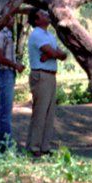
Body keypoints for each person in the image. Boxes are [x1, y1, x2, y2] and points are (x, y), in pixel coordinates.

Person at [26, 9, 68, 156]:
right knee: (40, 111)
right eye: (43, 14)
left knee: (49, 113)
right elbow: (53, 52)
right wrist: (53, 54)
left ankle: (44, 147)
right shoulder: (36, 34)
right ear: (36, 20)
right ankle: (34, 147)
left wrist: (53, 55)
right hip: (41, 75)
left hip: (50, 75)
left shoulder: (49, 35)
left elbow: (62, 54)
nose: (47, 15)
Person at [0, 12, 25, 151]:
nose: (12, 19)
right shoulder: (2, 34)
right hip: (5, 73)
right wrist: (14, 65)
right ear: (2, 19)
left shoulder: (9, 34)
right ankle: (7, 146)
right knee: (5, 112)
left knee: (1, 110)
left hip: (8, 73)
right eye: (9, 17)